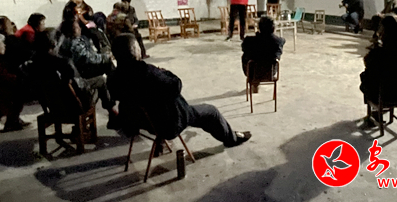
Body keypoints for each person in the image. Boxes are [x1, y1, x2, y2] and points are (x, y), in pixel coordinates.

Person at [109, 33, 252, 147]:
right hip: (168, 122)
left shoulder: (114, 77)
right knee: (211, 111)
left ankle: (160, 140)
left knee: (154, 104)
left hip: (140, 121)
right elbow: (175, 86)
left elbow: (119, 95)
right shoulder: (146, 72)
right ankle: (232, 139)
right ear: (134, 51)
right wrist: (165, 72)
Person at [22, 31, 98, 116]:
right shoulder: (63, 63)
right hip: (70, 107)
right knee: (96, 82)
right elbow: (74, 84)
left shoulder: (31, 64)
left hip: (51, 107)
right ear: (53, 43)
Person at [57, 19, 117, 125]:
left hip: (74, 73)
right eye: (77, 27)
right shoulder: (74, 42)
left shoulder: (63, 41)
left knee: (107, 65)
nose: (80, 28)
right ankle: (113, 102)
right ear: (71, 31)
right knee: (104, 73)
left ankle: (113, 96)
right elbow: (87, 58)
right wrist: (105, 57)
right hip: (79, 75)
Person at [359, 14, 397, 126]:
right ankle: (377, 112)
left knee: (365, 76)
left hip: (385, 94)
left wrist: (374, 47)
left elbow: (368, 63)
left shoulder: (381, 50)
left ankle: (374, 112)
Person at [241, 16, 285, 93]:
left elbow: (244, 48)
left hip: (252, 72)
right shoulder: (278, 41)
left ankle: (254, 82)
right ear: (273, 28)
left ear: (259, 28)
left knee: (247, 56)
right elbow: (283, 41)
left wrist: (257, 35)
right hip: (270, 72)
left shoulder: (249, 41)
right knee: (273, 57)